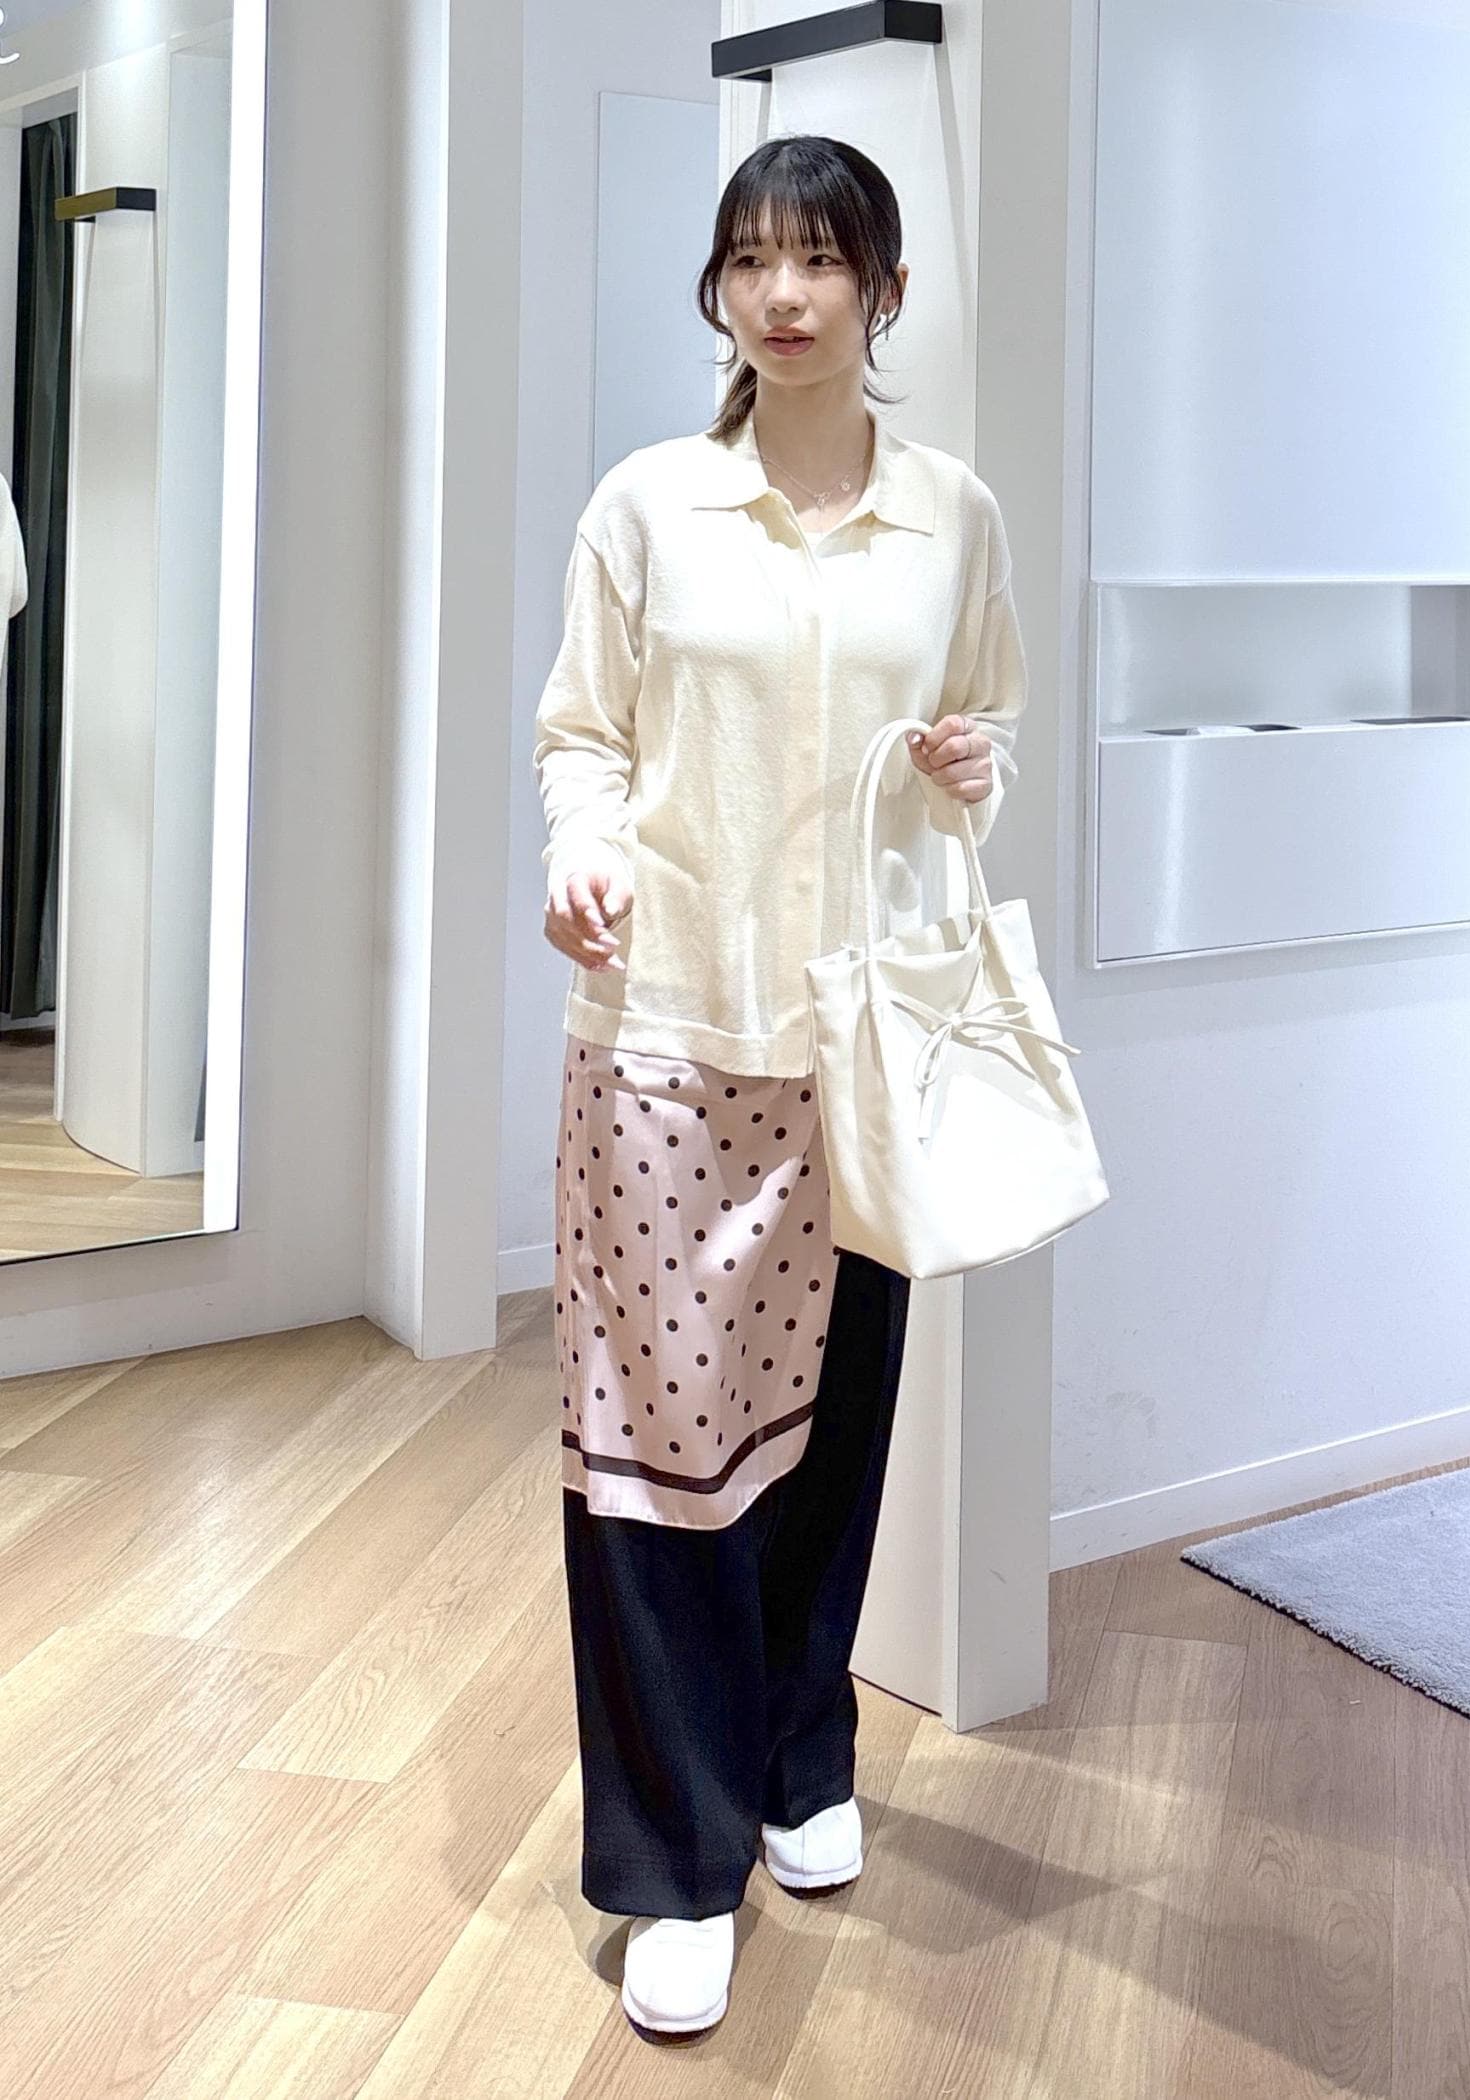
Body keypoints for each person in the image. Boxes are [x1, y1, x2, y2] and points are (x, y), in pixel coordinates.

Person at [532, 133, 1029, 2043]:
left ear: (885, 290)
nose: (785, 294)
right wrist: (582, 846)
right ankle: (675, 1862)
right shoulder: (649, 505)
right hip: (668, 1031)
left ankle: (800, 1756)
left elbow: (985, 721)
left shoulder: (953, 515)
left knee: (833, 1427)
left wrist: (974, 767)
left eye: (821, 261)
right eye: (751, 260)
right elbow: (583, 736)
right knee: (658, 1455)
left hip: (865, 1046)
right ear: (721, 290)